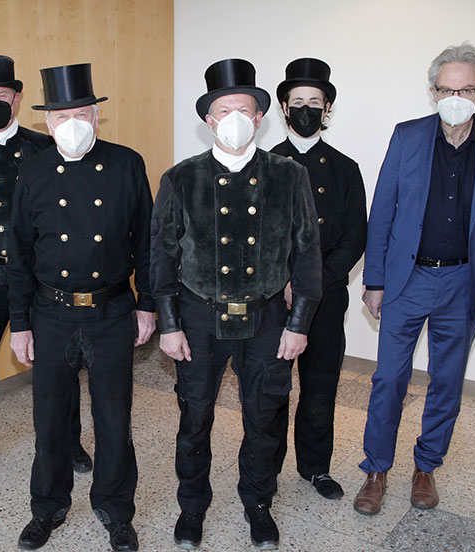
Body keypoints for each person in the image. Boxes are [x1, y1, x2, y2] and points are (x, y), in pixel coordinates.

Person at [151, 59, 322, 550]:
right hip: (198, 318)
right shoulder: (181, 177)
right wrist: (168, 322)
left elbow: (307, 252)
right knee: (194, 417)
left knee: (264, 416)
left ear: (260, 117)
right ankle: (192, 506)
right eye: (224, 110)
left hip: (268, 318)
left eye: (243, 109)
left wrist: (299, 322)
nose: (234, 118)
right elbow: (160, 253)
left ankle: (258, 501)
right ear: (209, 119)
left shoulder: (290, 175)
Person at [354, 43, 475, 516]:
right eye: (447, 88)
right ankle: (376, 468)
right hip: (407, 279)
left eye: (466, 88)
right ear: (432, 92)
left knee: (447, 381)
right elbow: (382, 210)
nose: (456, 96)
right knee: (389, 377)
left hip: (463, 285)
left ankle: (426, 466)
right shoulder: (407, 137)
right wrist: (375, 279)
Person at [7, 63, 155, 552]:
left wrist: (148, 305)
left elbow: (147, 243)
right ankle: (47, 507)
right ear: (47, 123)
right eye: (61, 115)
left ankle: (116, 509)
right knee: (50, 418)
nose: (71, 123)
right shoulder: (30, 170)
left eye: (81, 113)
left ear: (96, 115)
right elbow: (20, 254)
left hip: (112, 311)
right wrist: (20, 324)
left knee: (114, 418)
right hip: (50, 313)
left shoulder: (126, 163)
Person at [0, 55, 91, 479]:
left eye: (1, 96)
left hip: (42, 279)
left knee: (59, 364)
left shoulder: (46, 148)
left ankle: (71, 439)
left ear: (18, 99)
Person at [269, 58, 367, 500]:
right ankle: (263, 471)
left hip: (326, 295)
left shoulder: (345, 168)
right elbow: (252, 238)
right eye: (298, 102)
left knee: (320, 384)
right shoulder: (265, 163)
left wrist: (313, 282)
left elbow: (354, 236)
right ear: (283, 108)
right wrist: (283, 281)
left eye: (315, 102)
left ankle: (315, 468)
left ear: (327, 109)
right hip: (273, 298)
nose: (306, 109)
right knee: (270, 387)